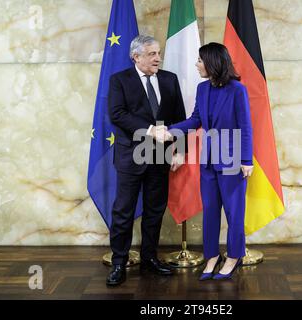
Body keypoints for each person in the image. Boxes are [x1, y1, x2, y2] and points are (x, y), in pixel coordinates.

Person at [164, 42, 253, 280]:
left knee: (235, 213)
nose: (197, 64)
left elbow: (245, 127)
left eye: (200, 60)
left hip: (233, 160)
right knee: (211, 211)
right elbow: (195, 120)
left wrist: (247, 159)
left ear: (213, 63)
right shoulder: (203, 89)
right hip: (209, 162)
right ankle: (212, 255)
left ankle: (234, 255)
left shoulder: (237, 90)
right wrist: (170, 131)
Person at [106, 35, 186, 286]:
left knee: (154, 210)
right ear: (136, 57)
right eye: (152, 54)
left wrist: (179, 150)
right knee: (124, 211)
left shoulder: (169, 79)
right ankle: (119, 262)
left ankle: (150, 258)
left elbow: (179, 118)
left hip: (161, 156)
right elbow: (117, 115)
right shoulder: (119, 80)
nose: (158, 58)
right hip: (131, 156)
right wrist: (150, 130)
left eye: (158, 53)